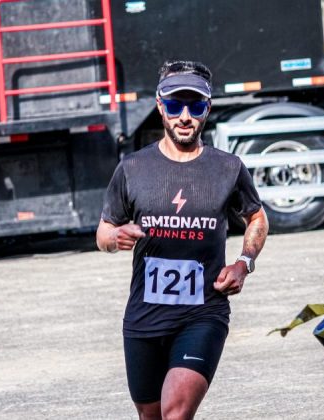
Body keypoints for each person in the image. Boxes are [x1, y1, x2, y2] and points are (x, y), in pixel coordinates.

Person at [96, 60, 269, 420]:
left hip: (203, 312)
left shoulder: (228, 168)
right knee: (150, 415)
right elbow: (103, 232)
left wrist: (243, 263)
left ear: (208, 108)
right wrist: (115, 237)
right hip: (144, 316)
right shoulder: (132, 168)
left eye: (195, 106)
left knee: (175, 412)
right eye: (175, 106)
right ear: (160, 106)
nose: (185, 116)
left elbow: (257, 218)